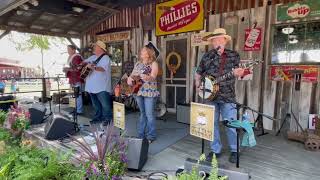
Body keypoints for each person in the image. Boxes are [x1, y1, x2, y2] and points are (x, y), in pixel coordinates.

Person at [195, 28, 245, 163]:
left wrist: (239, 73)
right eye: (214, 40)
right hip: (210, 96)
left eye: (219, 39)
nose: (216, 42)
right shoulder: (207, 56)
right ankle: (215, 149)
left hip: (227, 95)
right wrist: (198, 84)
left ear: (225, 40)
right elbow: (198, 73)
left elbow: (240, 73)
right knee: (212, 124)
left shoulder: (233, 55)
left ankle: (235, 150)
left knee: (230, 123)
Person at [127, 44, 160, 144]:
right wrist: (129, 78)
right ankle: (141, 135)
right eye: (142, 51)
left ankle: (151, 136)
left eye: (144, 51)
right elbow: (133, 75)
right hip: (138, 91)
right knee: (142, 113)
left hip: (149, 92)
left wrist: (147, 77)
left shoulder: (153, 63)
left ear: (149, 53)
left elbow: (153, 76)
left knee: (149, 114)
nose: (142, 53)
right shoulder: (137, 63)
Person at [84, 40, 112, 126]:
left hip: (101, 86)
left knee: (105, 105)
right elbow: (83, 62)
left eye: (95, 46)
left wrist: (93, 67)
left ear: (100, 48)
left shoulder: (105, 58)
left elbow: (102, 69)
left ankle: (108, 119)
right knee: (95, 104)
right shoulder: (92, 57)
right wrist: (83, 66)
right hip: (91, 86)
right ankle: (98, 118)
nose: (94, 48)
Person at [63, 45, 84, 114]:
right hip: (72, 78)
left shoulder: (76, 57)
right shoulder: (71, 57)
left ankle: (79, 110)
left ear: (74, 50)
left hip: (76, 79)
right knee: (73, 95)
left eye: (69, 49)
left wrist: (67, 69)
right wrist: (66, 70)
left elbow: (78, 68)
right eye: (67, 49)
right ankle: (75, 109)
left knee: (78, 95)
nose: (67, 51)